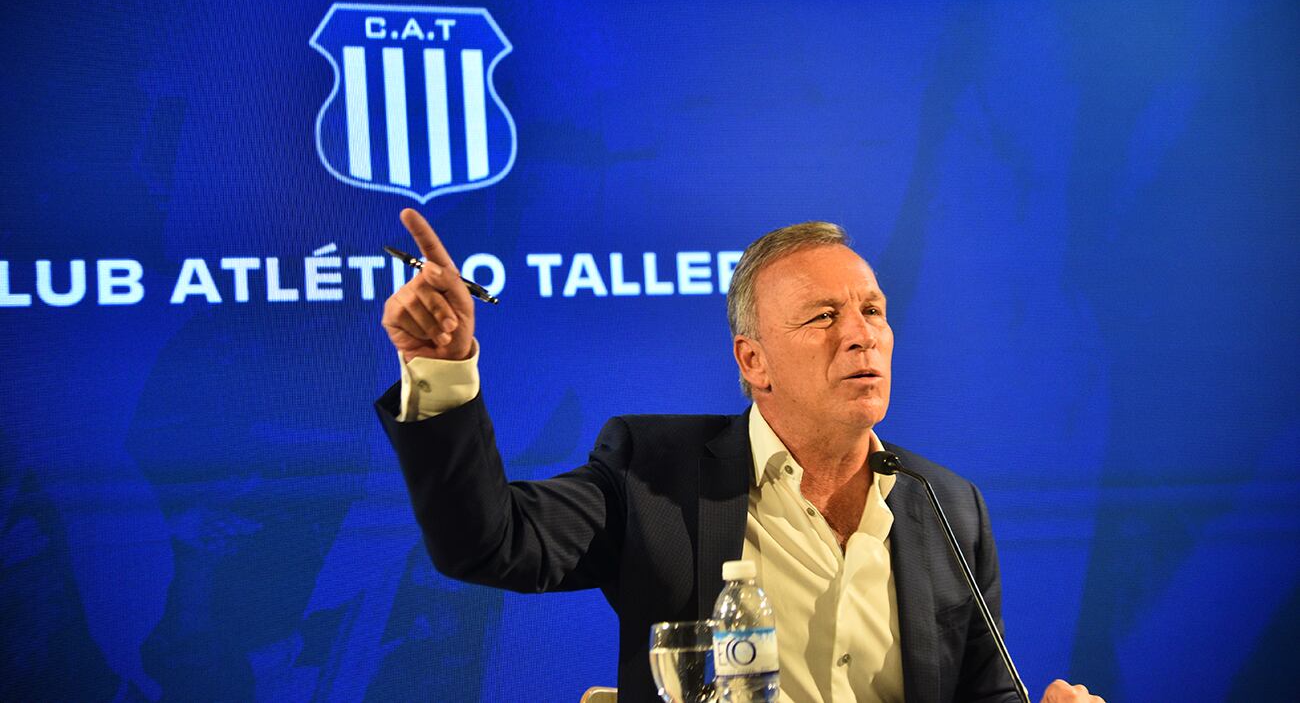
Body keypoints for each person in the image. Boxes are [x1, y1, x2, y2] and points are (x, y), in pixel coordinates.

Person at [376, 208, 1104, 703]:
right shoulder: (652, 475)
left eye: (873, 311)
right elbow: (487, 540)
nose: (861, 335)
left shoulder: (947, 504)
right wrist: (442, 371)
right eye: (824, 316)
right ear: (754, 361)